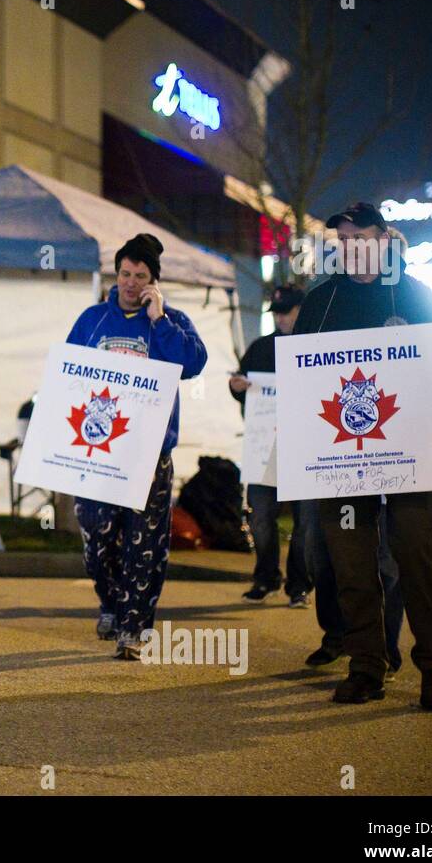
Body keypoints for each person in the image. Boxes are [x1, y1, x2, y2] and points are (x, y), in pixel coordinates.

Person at [292, 202, 432, 708]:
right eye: (342, 240)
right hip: (342, 459)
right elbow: (301, 378)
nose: (352, 247)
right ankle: (366, 666)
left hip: (412, 455)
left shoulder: (416, 295)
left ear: (384, 239)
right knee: (351, 564)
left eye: (361, 236)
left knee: (416, 555)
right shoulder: (321, 303)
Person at [66, 234, 208, 659]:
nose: (130, 282)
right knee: (97, 539)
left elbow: (193, 364)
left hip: (151, 453)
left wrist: (160, 319)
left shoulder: (170, 321)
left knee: (144, 544)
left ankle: (134, 628)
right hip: (98, 450)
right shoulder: (92, 319)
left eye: (140, 276)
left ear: (153, 281)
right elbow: (67, 375)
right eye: (125, 273)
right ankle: (110, 602)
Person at [230, 286, 312, 608]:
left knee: (305, 522)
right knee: (261, 516)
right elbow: (241, 384)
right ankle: (266, 577)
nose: (280, 317)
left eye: (286, 311)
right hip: (265, 445)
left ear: (301, 310)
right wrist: (236, 387)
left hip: (306, 448)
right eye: (277, 312)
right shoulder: (261, 348)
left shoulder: (314, 347)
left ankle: (299, 584)